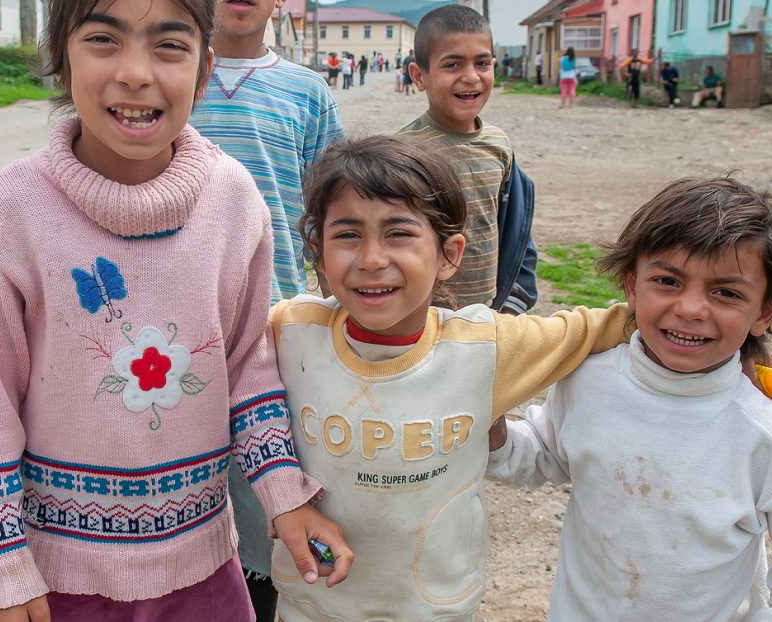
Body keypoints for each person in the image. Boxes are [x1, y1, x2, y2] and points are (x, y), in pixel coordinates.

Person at [0, 0, 351, 621]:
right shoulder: (8, 211)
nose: (135, 74)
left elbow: (249, 369)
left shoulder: (234, 201)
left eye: (169, 45)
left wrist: (285, 496)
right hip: (61, 577)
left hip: (203, 570)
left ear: (203, 67)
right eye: (102, 39)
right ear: (61, 56)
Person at [268, 135, 633, 620]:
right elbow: (213, 347)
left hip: (436, 607)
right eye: (348, 234)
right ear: (318, 251)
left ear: (449, 254)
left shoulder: (485, 348)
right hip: (312, 601)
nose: (372, 258)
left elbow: (603, 326)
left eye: (399, 233)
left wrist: (732, 353)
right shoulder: (290, 330)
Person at [488, 176, 772, 619]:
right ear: (630, 286)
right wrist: (490, 429)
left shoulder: (768, 439)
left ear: (764, 313)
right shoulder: (588, 381)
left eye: (726, 292)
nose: (690, 309)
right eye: (667, 280)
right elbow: (545, 453)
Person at [191, 0, 345, 619]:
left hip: (274, 332)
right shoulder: (169, 78)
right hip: (174, 330)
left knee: (268, 501)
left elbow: (332, 223)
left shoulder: (308, 93)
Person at [401, 4, 538, 314]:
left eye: (482, 63)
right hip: (424, 311)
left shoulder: (499, 145)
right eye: (453, 65)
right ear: (419, 75)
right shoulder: (404, 151)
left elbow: (516, 226)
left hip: (489, 309)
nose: (471, 77)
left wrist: (514, 300)